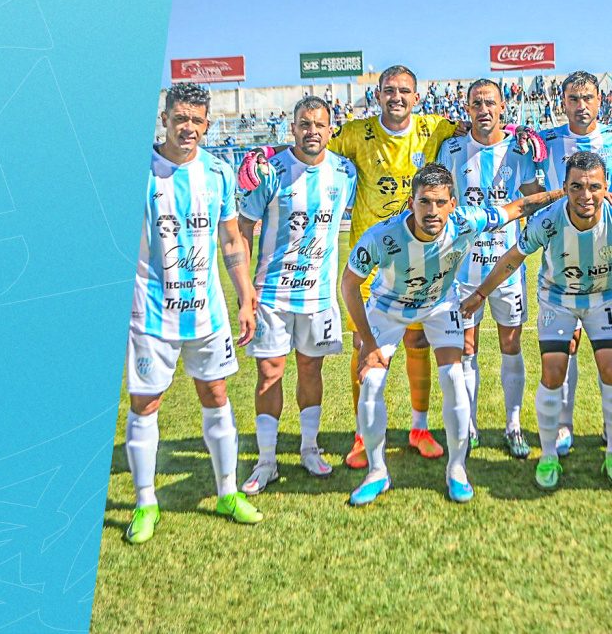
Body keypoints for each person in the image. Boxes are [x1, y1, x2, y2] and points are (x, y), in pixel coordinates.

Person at [239, 66, 545, 469]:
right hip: (373, 261)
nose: (396, 97)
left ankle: (420, 428)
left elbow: (487, 131)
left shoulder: (435, 128)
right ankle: (361, 436)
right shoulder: (355, 133)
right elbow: (311, 142)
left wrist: (520, 132)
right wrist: (267, 153)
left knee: (419, 344)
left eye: (404, 91)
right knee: (364, 348)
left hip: (422, 260)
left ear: (417, 97)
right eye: (388, 90)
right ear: (378, 95)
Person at [342, 164, 562, 505]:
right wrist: (369, 344)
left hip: (439, 305)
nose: (432, 211)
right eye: (424, 202)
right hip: (387, 309)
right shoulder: (381, 236)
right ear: (411, 203)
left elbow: (519, 207)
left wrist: (567, 193)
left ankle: (456, 469)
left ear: (453, 204)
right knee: (371, 384)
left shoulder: (467, 221)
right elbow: (349, 285)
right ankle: (377, 471)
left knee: (455, 380)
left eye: (440, 202)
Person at [123, 82, 261, 545]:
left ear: (207, 124)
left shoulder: (218, 172)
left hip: (207, 312)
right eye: (180, 118)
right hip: (151, 312)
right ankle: (145, 503)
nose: (188, 128)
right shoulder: (139, 171)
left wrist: (245, 296)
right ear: (164, 119)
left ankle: (227, 493)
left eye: (196, 121)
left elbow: (231, 240)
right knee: (145, 403)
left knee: (216, 394)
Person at [461, 151, 612, 488]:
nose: (585, 195)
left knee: (610, 367)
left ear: (605, 188)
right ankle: (548, 455)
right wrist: (481, 293)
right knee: (553, 371)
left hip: (603, 298)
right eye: (576, 186)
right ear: (565, 188)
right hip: (558, 299)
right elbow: (513, 258)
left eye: (594, 187)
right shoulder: (548, 219)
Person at [236, 97, 357, 493]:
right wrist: (245, 291)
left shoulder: (345, 172)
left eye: (319, 125)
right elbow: (243, 227)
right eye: (305, 124)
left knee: (310, 371)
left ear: (331, 129)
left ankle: (309, 448)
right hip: (272, 295)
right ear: (293, 128)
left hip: (318, 297)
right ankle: (266, 460)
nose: (312, 131)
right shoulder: (271, 171)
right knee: (270, 374)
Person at [437, 80, 539, 458]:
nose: (483, 109)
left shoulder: (519, 150)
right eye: (476, 103)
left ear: (502, 107)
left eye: (490, 102)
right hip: (463, 271)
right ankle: (471, 425)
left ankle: (513, 425)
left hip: (508, 268)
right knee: (467, 348)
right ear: (467, 109)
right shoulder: (451, 149)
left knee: (511, 344)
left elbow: (533, 198)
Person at [529, 71, 612, 454]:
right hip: (561, 260)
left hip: (606, 262)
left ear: (600, 100)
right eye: (573, 99)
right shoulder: (546, 141)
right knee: (566, 346)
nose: (581, 106)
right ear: (561, 101)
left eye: (588, 98)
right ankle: (563, 425)